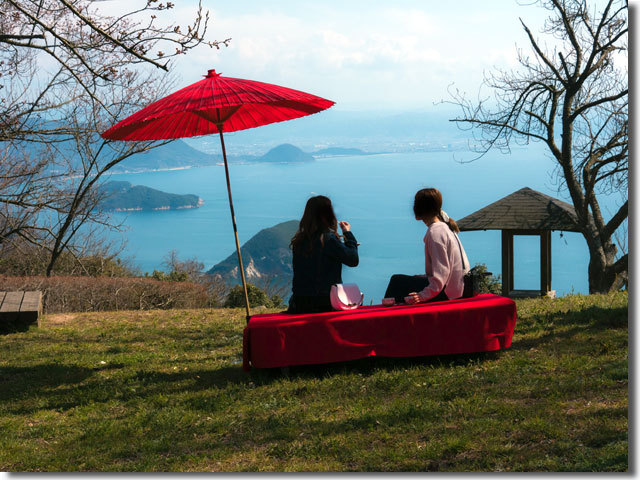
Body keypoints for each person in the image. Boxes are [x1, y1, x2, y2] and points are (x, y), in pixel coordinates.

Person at [384, 187, 469, 304]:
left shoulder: (435, 232)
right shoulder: (445, 227)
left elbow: (442, 273)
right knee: (405, 280)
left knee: (397, 282)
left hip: (449, 293)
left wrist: (422, 296)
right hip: (458, 288)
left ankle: (387, 317)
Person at [288, 195, 359, 314]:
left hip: (299, 304)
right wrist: (347, 233)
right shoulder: (328, 239)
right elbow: (353, 260)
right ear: (328, 215)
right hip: (324, 303)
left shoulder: (299, 241)